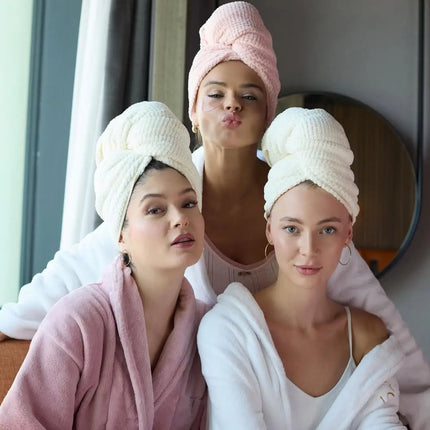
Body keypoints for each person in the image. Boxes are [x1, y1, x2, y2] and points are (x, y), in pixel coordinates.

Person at [0, 2, 428, 427]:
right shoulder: (164, 193)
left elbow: (382, 327)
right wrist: (9, 322)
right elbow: (80, 267)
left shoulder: (298, 201)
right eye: (216, 93)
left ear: (268, 112)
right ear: (193, 110)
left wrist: (419, 410)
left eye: (249, 96)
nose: (232, 106)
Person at [0, 101, 207, 429]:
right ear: (120, 235)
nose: (180, 218)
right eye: (155, 209)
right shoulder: (77, 323)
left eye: (189, 203)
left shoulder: (205, 331)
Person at [197, 107, 407, 429]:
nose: (308, 249)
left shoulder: (367, 337)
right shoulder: (228, 331)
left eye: (327, 229)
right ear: (270, 230)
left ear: (348, 234)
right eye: (292, 228)